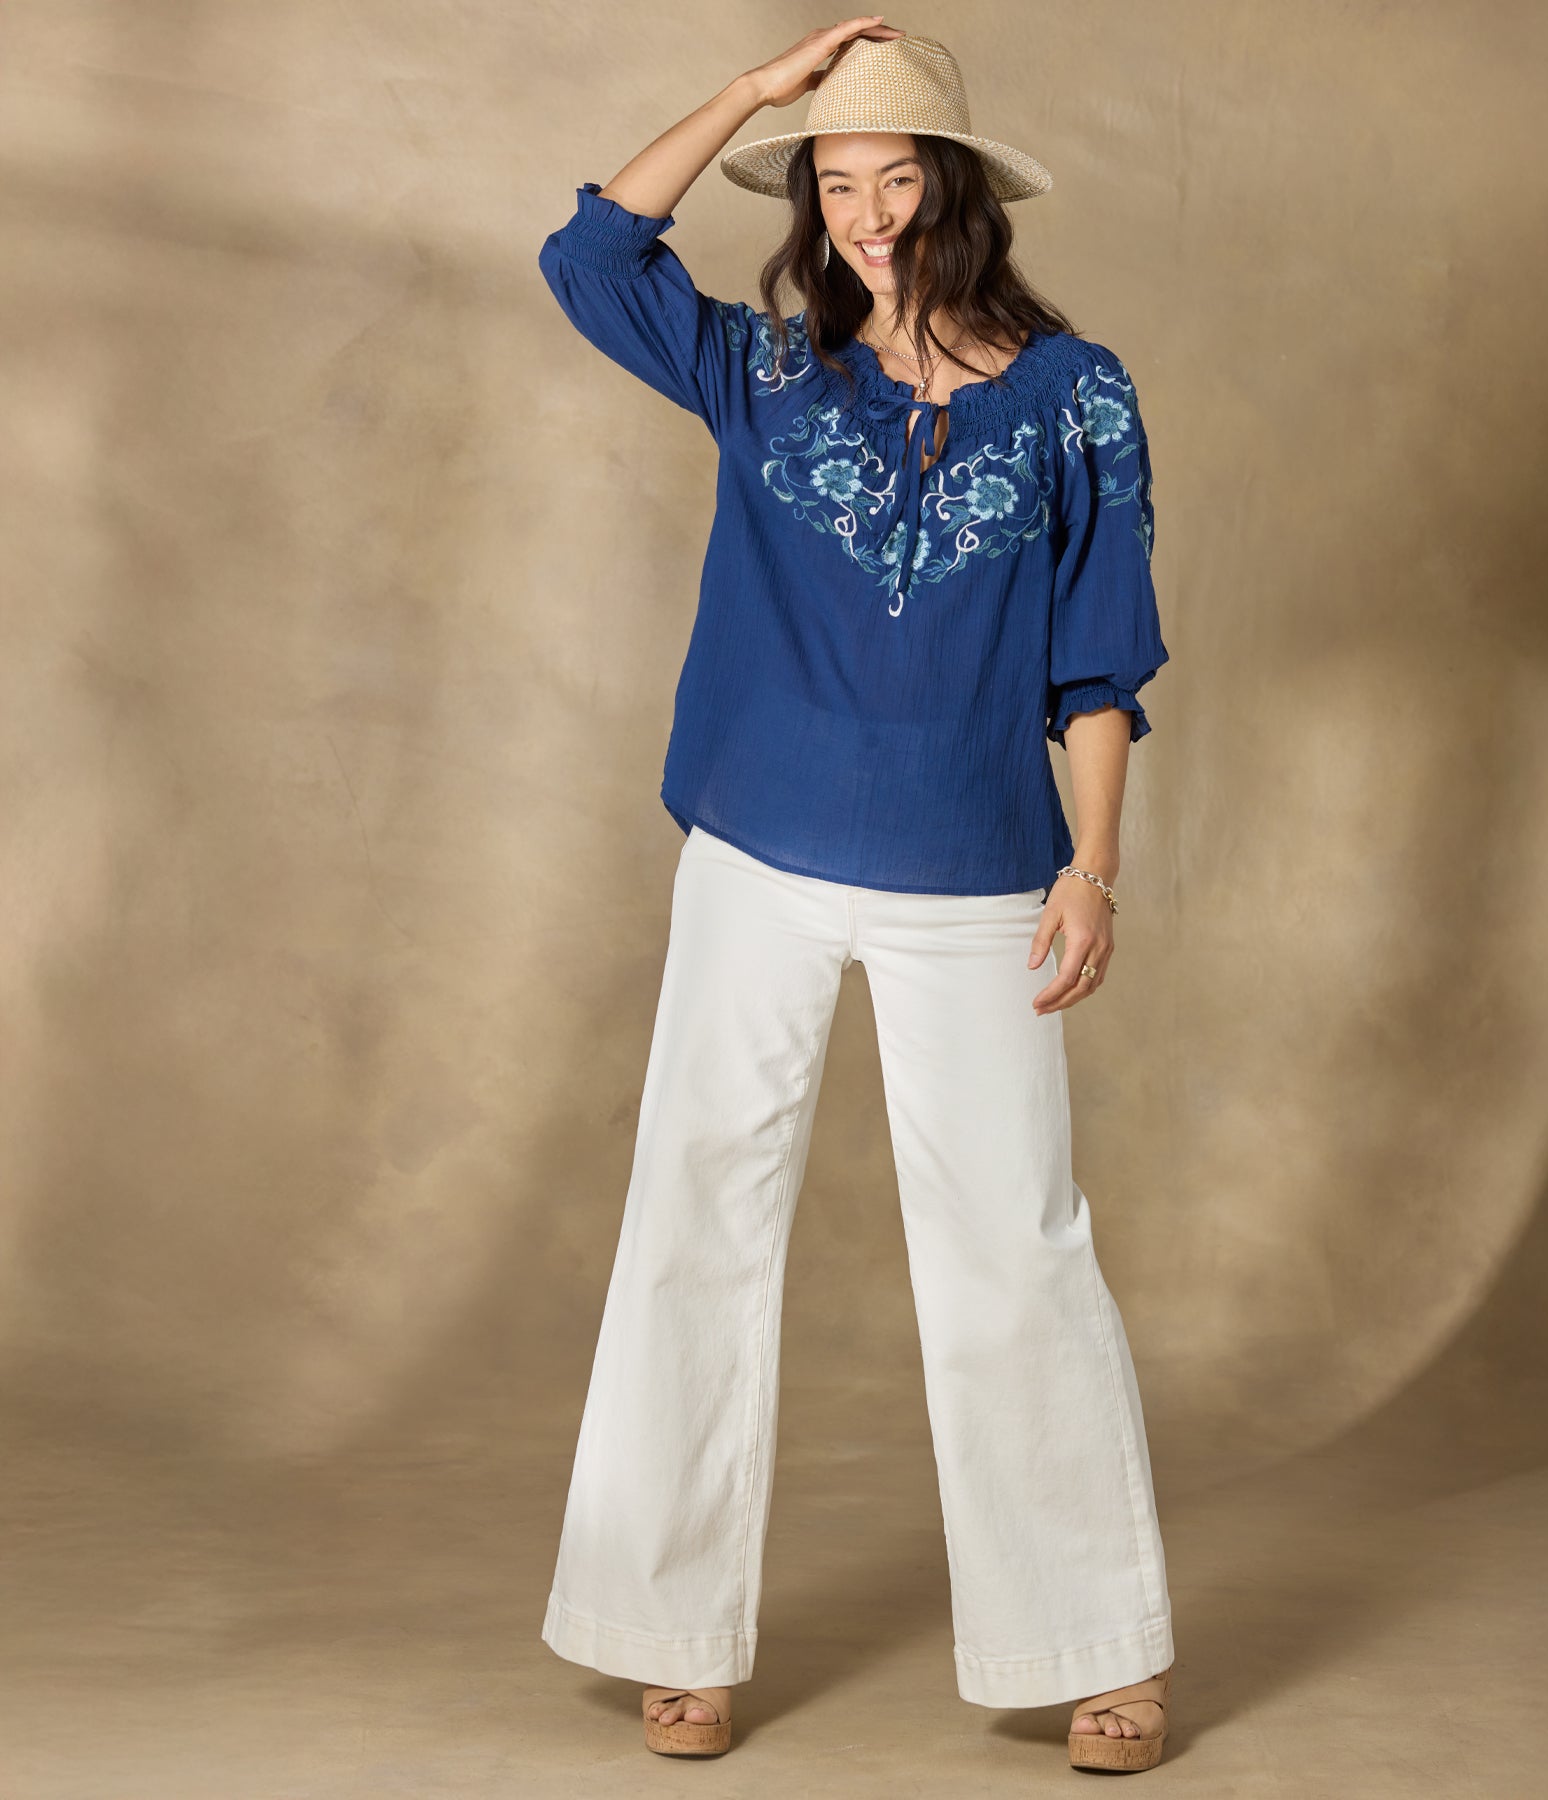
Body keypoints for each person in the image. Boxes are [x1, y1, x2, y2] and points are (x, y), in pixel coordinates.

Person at [534, 17, 1176, 1774]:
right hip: (756, 853)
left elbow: (1101, 660)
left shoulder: (1077, 396)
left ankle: (1095, 1646)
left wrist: (1094, 869)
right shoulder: (763, 370)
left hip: (977, 867)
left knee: (1015, 1245)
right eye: (834, 182)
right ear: (807, 199)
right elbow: (588, 257)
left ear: (957, 188)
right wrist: (754, 94)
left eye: (897, 178)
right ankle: (668, 1631)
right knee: (694, 1214)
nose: (870, 213)